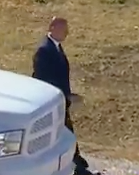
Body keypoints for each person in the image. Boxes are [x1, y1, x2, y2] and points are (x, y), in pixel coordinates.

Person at [32, 17, 101, 175]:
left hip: (61, 101)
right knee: (62, 134)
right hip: (52, 102)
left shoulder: (56, 48)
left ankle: (77, 165)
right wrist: (65, 96)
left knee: (66, 133)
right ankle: (76, 167)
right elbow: (44, 79)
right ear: (52, 27)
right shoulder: (44, 50)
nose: (67, 33)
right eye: (64, 29)